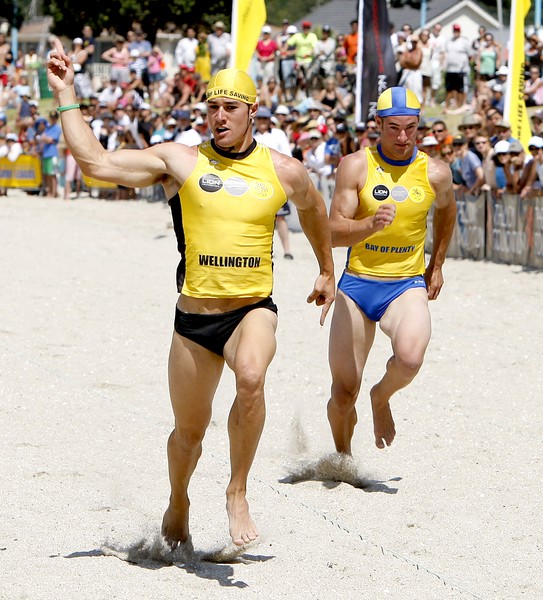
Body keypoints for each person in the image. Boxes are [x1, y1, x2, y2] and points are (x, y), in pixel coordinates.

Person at [47, 45, 335, 548]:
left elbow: (314, 214)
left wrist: (327, 269)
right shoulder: (178, 161)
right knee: (188, 435)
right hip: (194, 318)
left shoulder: (283, 170)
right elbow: (95, 163)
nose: (218, 116)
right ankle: (178, 498)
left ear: (253, 113)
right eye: (211, 108)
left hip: (252, 309)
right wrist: (67, 93)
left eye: (230, 108)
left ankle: (237, 490)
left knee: (251, 377)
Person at [326, 87, 456, 453]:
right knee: (343, 392)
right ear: (378, 124)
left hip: (405, 283)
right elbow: (332, 231)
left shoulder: (435, 172)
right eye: (394, 128)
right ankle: (343, 457)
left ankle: (380, 397)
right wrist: (368, 226)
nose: (402, 137)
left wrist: (438, 263)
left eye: (411, 128)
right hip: (356, 286)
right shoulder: (356, 165)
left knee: (411, 360)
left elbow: (448, 211)